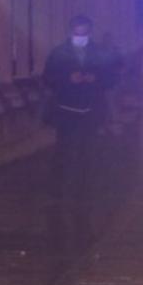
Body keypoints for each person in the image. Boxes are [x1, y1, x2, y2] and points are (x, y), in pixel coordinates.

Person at [41, 15, 120, 236]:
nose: (81, 37)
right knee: (64, 150)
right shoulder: (59, 53)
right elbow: (48, 77)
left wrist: (95, 78)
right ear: (71, 32)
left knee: (87, 151)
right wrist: (68, 78)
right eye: (78, 33)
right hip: (66, 108)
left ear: (90, 32)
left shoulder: (99, 53)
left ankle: (83, 190)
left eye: (84, 33)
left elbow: (112, 78)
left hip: (90, 108)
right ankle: (58, 190)